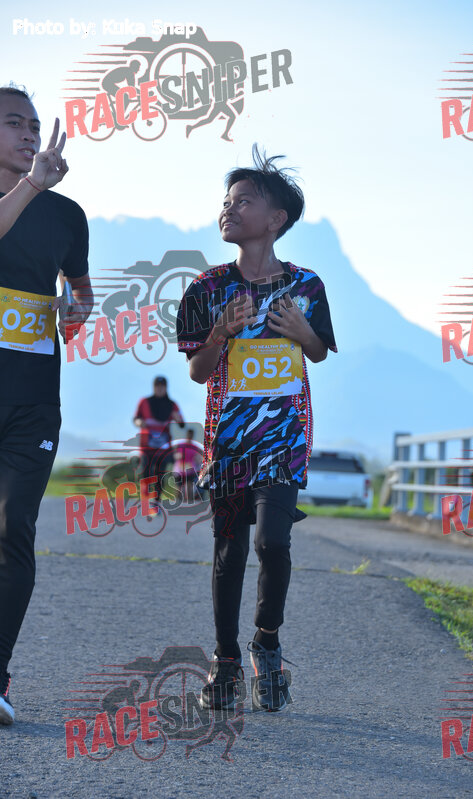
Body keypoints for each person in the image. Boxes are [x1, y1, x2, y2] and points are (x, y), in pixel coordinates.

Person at [177, 145, 337, 712]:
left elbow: (318, 353)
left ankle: (266, 643)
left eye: (244, 201)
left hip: (285, 440)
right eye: (227, 200)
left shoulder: (307, 286)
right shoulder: (206, 288)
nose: (229, 208)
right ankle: (224, 662)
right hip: (228, 443)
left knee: (273, 542)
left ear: (276, 219)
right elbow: (198, 372)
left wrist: (302, 331)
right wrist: (220, 332)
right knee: (230, 551)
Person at [0, 85, 93, 724]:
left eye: (34, 125)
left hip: (33, 402)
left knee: (13, 529)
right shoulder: (30, 194)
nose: (30, 134)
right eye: (14, 123)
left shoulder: (66, 215)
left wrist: (73, 311)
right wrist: (31, 185)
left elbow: (82, 294)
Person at [133, 376, 184, 510]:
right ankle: (145, 497)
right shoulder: (144, 402)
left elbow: (182, 423)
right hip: (147, 446)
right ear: (153, 387)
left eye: (162, 386)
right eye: (157, 386)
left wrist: (178, 419)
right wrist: (139, 422)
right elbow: (136, 418)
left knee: (160, 474)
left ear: (166, 388)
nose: (160, 389)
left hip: (163, 447)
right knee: (146, 472)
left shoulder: (172, 405)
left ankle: (156, 502)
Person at [173, 428, 203, 503]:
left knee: (189, 486)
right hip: (179, 469)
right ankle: (179, 502)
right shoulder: (181, 445)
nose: (190, 436)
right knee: (179, 488)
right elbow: (175, 455)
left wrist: (199, 460)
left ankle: (189, 503)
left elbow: (199, 456)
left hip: (190, 469)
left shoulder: (194, 447)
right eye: (189, 434)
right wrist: (179, 456)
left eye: (191, 435)